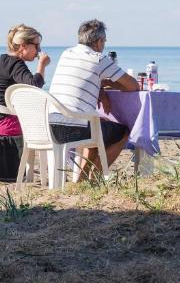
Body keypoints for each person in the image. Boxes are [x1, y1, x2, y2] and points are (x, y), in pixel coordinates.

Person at [48, 19, 138, 177]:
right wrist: (109, 82)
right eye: (104, 42)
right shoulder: (98, 58)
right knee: (123, 132)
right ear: (99, 41)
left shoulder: (66, 54)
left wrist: (101, 88)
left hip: (52, 124)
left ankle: (83, 179)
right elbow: (133, 86)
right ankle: (93, 178)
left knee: (98, 125)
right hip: (75, 128)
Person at [0, 24, 50, 137]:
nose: (39, 50)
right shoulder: (15, 63)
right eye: (36, 46)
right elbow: (34, 86)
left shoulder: (4, 60)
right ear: (23, 46)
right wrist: (42, 65)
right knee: (50, 127)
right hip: (4, 123)